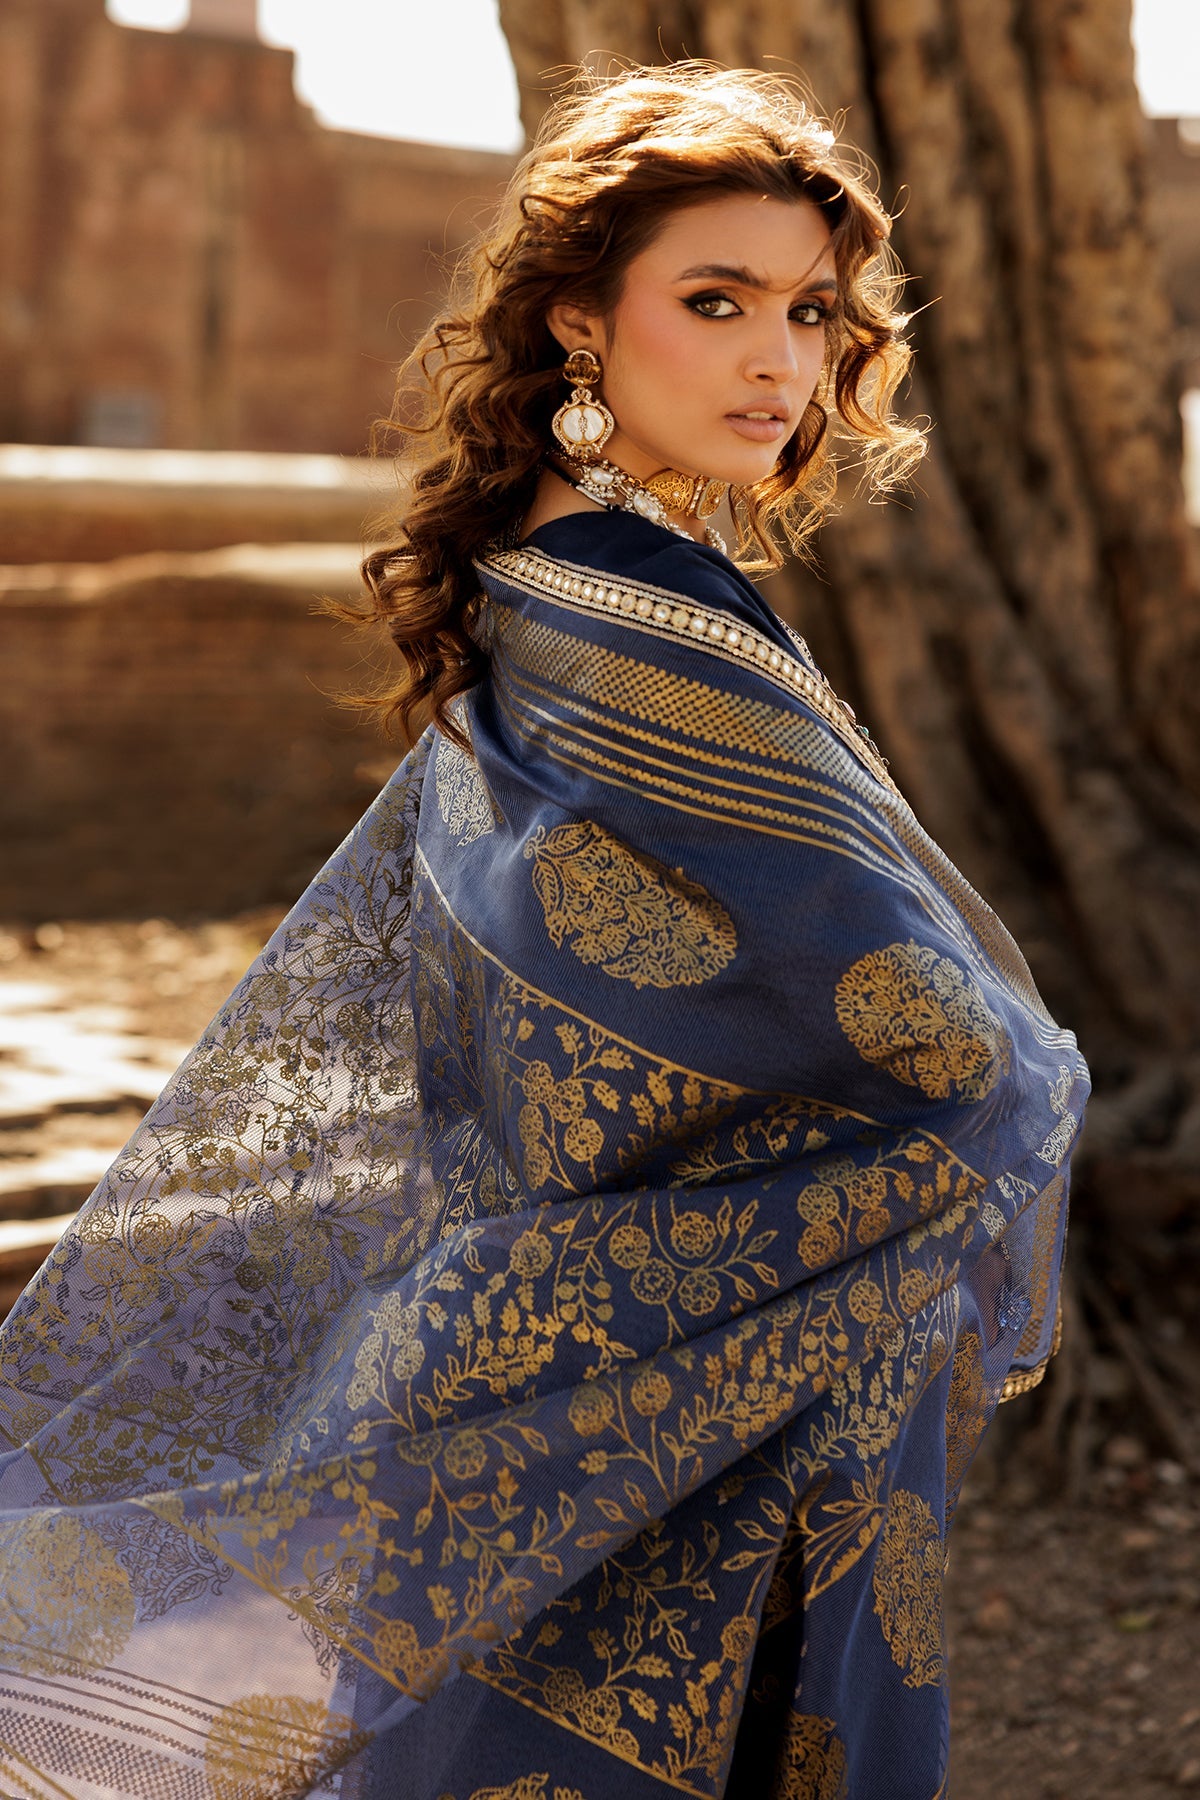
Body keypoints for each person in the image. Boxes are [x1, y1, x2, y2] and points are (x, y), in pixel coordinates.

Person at [0, 61, 1086, 1800]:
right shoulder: (648, 628)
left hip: (544, 1301)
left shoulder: (535, 579)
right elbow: (937, 1043)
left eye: (811, 312)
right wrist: (1022, 1088)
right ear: (581, 323)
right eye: (716, 302)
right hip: (691, 1344)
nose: (778, 361)